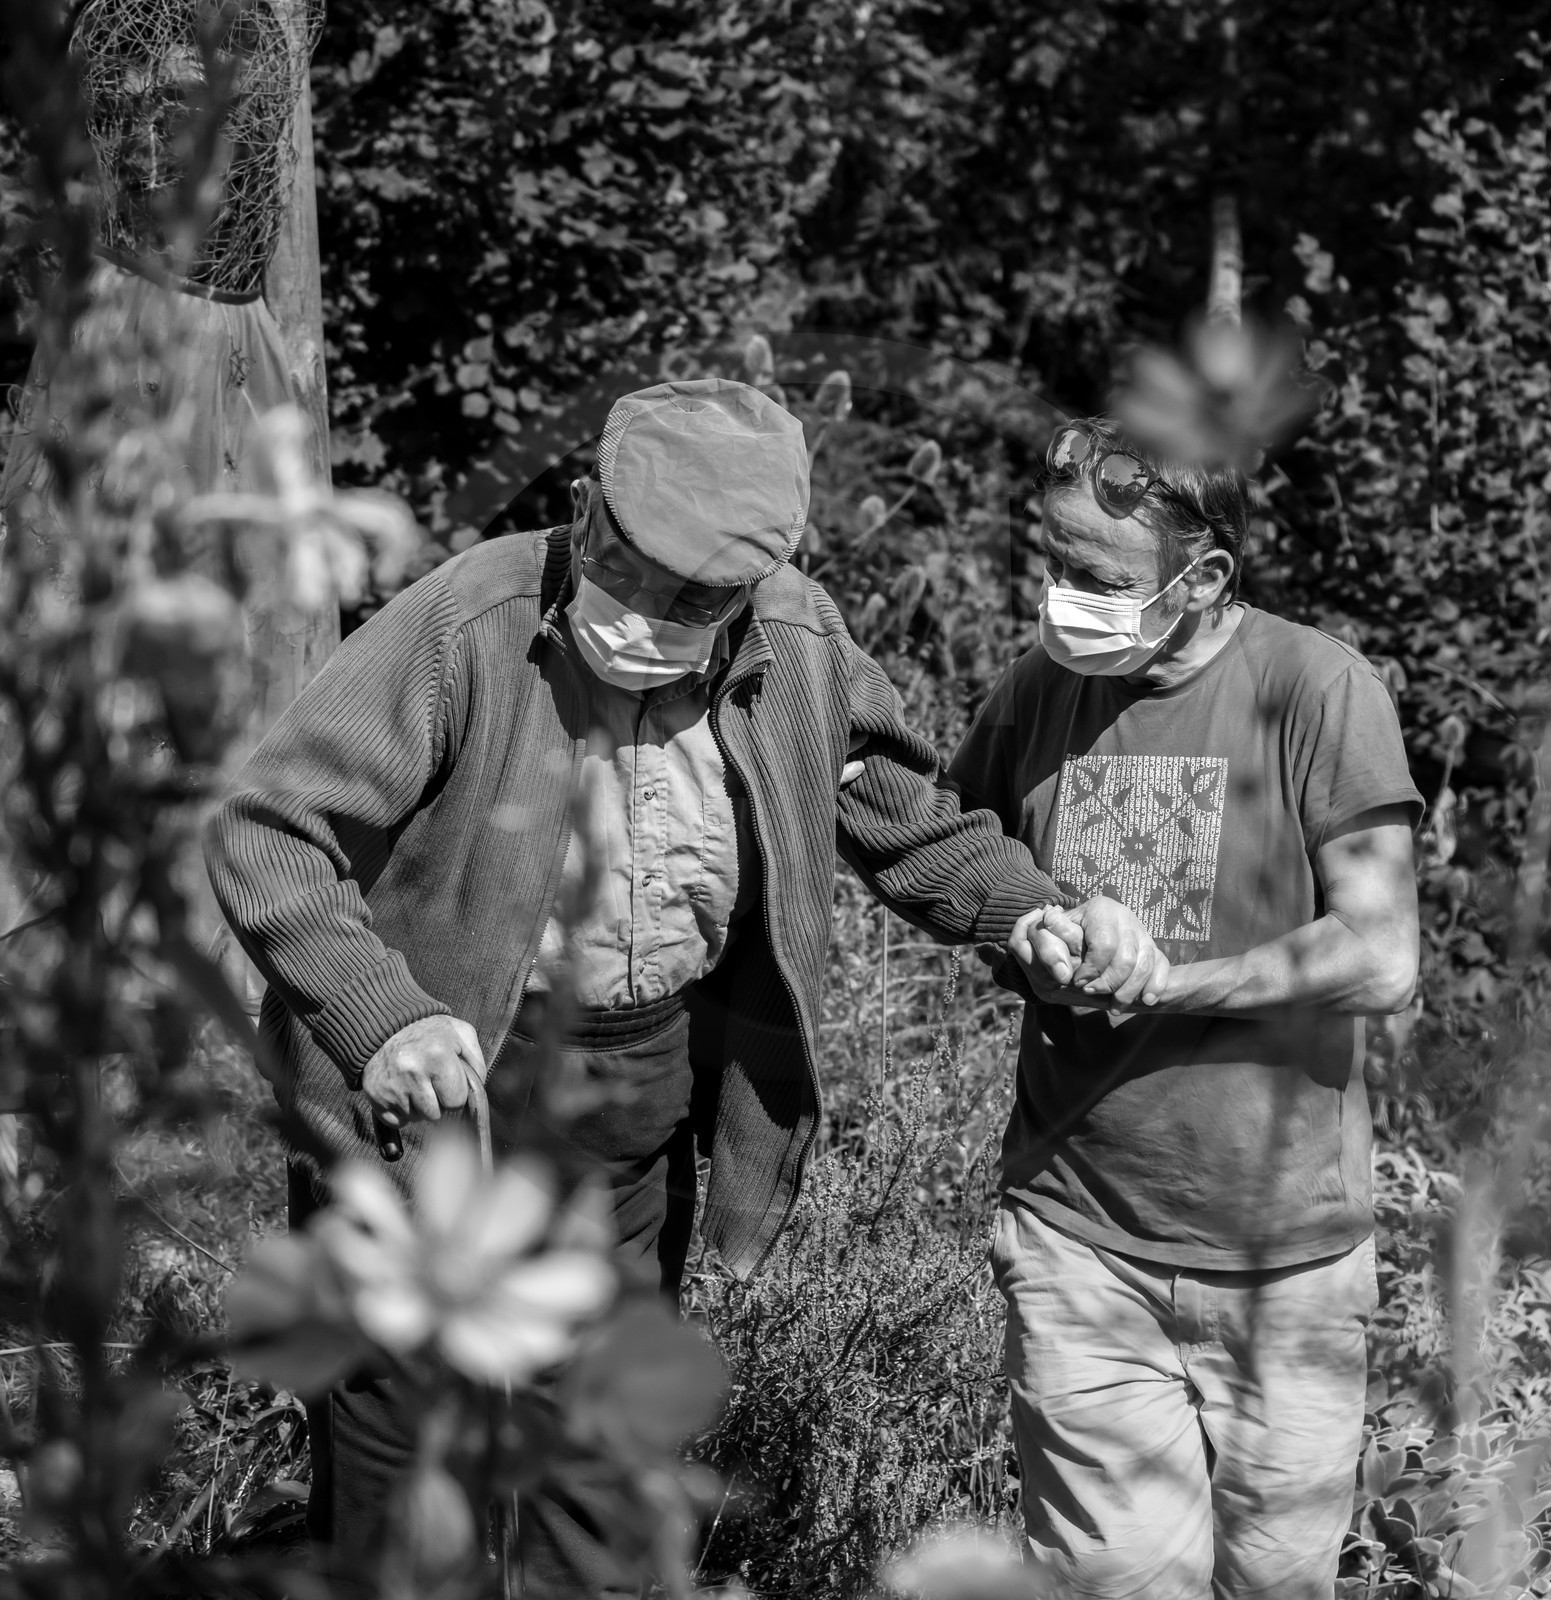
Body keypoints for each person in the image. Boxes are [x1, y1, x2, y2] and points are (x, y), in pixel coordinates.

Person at [204, 379, 1157, 1597]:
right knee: (410, 1423)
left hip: (631, 1078)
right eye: (635, 567)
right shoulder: (471, 619)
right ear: (590, 509)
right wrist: (378, 1019)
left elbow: (904, 820)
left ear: (758, 582)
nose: (651, 613)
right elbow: (272, 828)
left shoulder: (795, 643)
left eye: (699, 598)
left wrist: (1034, 910)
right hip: (433, 1081)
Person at [949, 416, 1424, 1600]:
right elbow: (957, 860)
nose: (1061, 597)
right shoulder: (1032, 692)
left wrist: (1172, 983)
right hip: (1078, 1238)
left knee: (1275, 1581)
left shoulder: (1315, 688)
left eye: (1096, 578)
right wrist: (1026, 936)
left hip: (1286, 1258)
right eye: (1051, 562)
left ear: (1204, 576)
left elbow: (1380, 953)